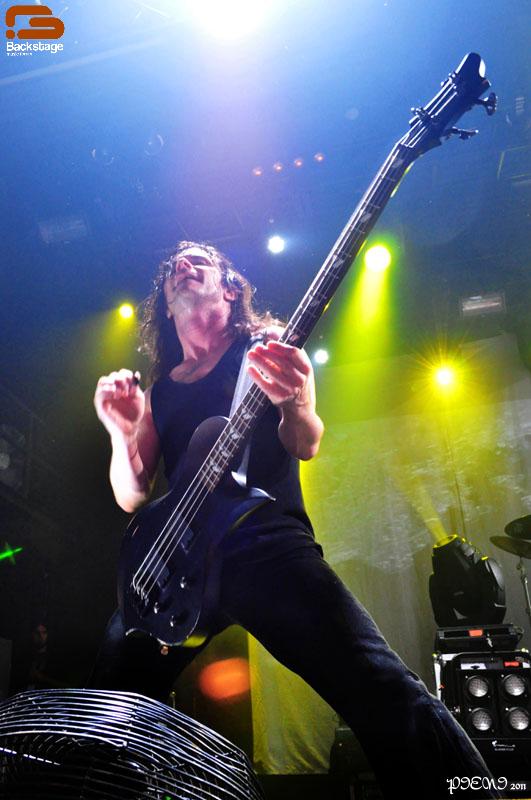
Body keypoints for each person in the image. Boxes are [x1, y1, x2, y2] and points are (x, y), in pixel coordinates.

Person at [89, 241, 500, 799]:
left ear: (229, 289)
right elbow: (132, 495)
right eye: (174, 268)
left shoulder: (266, 347)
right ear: (165, 304)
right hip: (174, 566)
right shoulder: (162, 389)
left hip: (264, 545)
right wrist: (120, 434)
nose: (182, 267)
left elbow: (304, 443)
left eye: (199, 261)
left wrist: (297, 404)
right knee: (103, 711)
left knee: (377, 685)